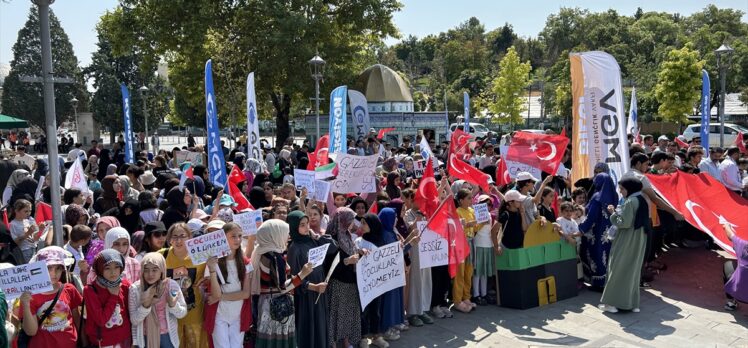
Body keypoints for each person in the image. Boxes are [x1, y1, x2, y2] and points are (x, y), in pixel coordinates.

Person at [250, 219, 313, 348]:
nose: (288, 236)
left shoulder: (262, 252)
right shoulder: (274, 257)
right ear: (275, 235)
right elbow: (282, 288)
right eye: (285, 233)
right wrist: (302, 275)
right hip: (277, 308)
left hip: (266, 305)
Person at [13, 247, 83, 348]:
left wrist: (83, 340)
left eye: (58, 268)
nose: (53, 274)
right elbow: (31, 331)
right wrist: (26, 305)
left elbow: (77, 317)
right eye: (48, 268)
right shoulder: (30, 296)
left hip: (71, 344)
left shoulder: (69, 289)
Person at [599, 178, 649, 313]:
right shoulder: (642, 199)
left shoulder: (630, 202)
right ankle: (632, 304)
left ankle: (611, 304)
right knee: (632, 270)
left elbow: (624, 223)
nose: (620, 191)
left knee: (617, 268)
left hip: (627, 238)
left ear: (629, 188)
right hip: (639, 238)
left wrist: (613, 213)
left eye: (622, 188)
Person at [287, 211, 336, 348]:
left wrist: (318, 236)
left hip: (320, 290)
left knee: (320, 323)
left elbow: (332, 247)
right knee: (309, 326)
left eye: (307, 224)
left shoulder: (313, 240)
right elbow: (294, 279)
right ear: (294, 227)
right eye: (302, 225)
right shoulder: (294, 248)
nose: (306, 227)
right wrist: (313, 286)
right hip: (306, 295)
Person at [160, 222, 209, 348]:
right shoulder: (162, 255)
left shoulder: (200, 255)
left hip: (194, 312)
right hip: (170, 314)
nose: (178, 240)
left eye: (182, 236)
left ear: (190, 237)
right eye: (174, 237)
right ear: (169, 239)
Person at [204, 222, 252, 348]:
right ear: (223, 238)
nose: (237, 239)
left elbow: (246, 293)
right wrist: (212, 269)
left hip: (238, 314)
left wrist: (221, 297)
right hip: (219, 314)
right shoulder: (213, 261)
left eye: (240, 236)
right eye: (233, 236)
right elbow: (215, 293)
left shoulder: (245, 262)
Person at [129, 252, 187, 348]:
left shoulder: (171, 286)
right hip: (144, 338)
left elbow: (182, 313)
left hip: (167, 336)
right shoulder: (135, 289)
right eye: (146, 270)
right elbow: (134, 320)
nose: (150, 274)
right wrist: (145, 306)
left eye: (155, 270)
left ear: (162, 270)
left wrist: (173, 305)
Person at [326, 208, 364, 348]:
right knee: (336, 315)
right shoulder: (331, 239)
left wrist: (360, 253)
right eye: (349, 219)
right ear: (342, 220)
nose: (351, 223)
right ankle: (334, 343)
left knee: (348, 314)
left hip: (351, 281)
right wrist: (347, 261)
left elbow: (351, 254)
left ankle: (346, 341)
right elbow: (329, 265)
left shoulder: (348, 236)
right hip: (338, 284)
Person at [84, 248, 132, 347]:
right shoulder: (90, 290)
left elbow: (130, 313)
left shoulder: (124, 285)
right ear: (99, 269)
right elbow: (101, 320)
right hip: (103, 342)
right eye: (107, 268)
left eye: (116, 267)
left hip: (125, 340)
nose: (113, 272)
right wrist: (113, 296)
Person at [579, 172, 618, 291]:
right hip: (609, 232)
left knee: (597, 254)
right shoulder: (614, 195)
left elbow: (591, 216)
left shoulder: (597, 197)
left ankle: (599, 283)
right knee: (608, 254)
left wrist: (581, 228)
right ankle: (609, 281)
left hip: (597, 232)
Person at [453, 189, 479, 313]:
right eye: (468, 198)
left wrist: (483, 222)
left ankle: (466, 297)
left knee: (469, 271)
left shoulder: (472, 211)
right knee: (460, 272)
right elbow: (456, 228)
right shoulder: (457, 211)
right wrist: (467, 225)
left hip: (471, 242)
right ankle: (457, 300)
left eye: (471, 198)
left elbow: (476, 227)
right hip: (460, 244)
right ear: (461, 200)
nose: (471, 200)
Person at [9, 199, 44, 264]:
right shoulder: (13, 224)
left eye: (30, 211)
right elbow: (14, 242)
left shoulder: (29, 220)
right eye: (25, 211)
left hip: (34, 249)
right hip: (23, 251)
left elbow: (34, 238)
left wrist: (40, 230)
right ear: (17, 211)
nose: (28, 213)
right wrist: (27, 234)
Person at [722, 223, 747, 311]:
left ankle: (730, 302)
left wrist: (726, 225)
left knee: (728, 265)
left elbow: (730, 235)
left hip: (738, 293)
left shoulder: (743, 245)